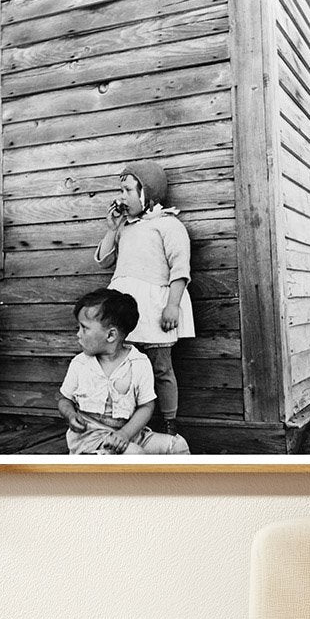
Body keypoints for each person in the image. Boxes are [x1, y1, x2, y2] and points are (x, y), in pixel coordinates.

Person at [94, 160, 194, 438]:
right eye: (120, 190)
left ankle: (170, 425)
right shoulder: (125, 227)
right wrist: (112, 228)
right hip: (124, 308)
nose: (121, 197)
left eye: (127, 190)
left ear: (147, 193)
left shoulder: (167, 225)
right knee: (126, 366)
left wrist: (172, 305)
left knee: (161, 367)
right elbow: (103, 261)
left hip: (153, 308)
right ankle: (128, 423)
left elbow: (180, 269)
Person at [58, 289, 190, 455]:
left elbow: (147, 406)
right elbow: (64, 400)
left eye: (84, 328)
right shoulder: (80, 364)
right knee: (134, 454)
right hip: (91, 440)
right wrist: (70, 415)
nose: (78, 334)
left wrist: (125, 433)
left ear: (111, 335)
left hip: (130, 434)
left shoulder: (139, 364)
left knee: (178, 445)